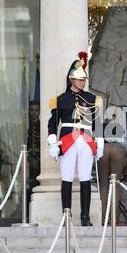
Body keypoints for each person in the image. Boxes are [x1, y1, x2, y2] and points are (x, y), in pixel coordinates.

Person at [47, 52, 104, 226]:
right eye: (79, 79)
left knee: (86, 177)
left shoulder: (93, 99)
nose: (82, 82)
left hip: (86, 139)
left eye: (83, 80)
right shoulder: (59, 100)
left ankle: (85, 216)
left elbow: (97, 123)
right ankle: (66, 215)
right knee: (67, 177)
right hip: (67, 139)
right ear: (71, 80)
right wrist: (52, 143)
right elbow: (52, 123)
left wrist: (99, 144)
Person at [98, 115, 127, 224]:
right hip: (118, 150)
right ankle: (114, 220)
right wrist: (126, 171)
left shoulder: (99, 136)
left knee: (104, 186)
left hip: (103, 151)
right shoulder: (122, 137)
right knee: (116, 186)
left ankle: (103, 220)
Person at [26, 100, 41, 218]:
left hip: (40, 165)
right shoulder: (24, 126)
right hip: (26, 164)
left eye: (36, 110)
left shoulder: (43, 126)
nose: (34, 113)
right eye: (32, 110)